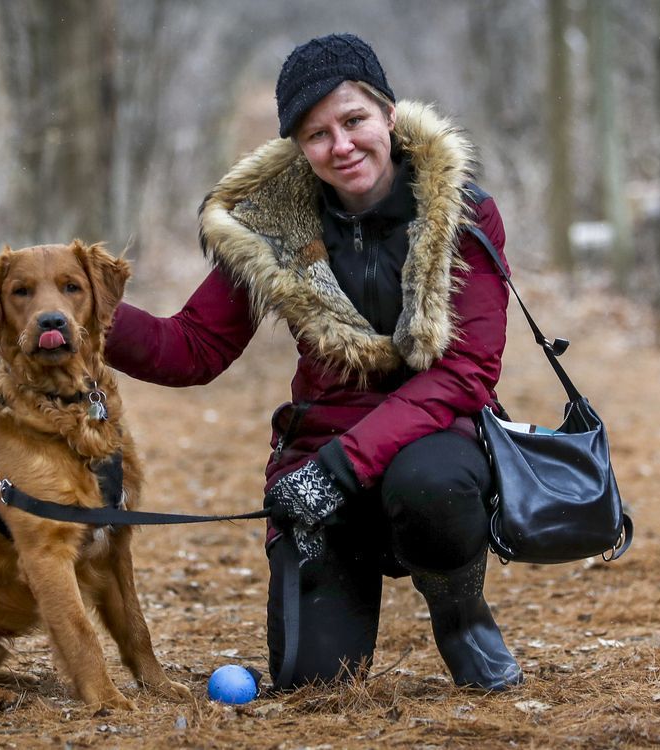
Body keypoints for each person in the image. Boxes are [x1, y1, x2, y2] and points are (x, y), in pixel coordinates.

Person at [105, 33, 523, 692]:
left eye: (354, 120)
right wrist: (82, 311)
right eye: (317, 134)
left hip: (431, 446)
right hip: (318, 468)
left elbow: (466, 373)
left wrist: (345, 465)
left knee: (432, 485)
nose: (342, 145)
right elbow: (193, 347)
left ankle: (461, 615)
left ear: (388, 114)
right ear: (298, 147)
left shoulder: (461, 213)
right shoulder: (272, 223)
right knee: (313, 688)